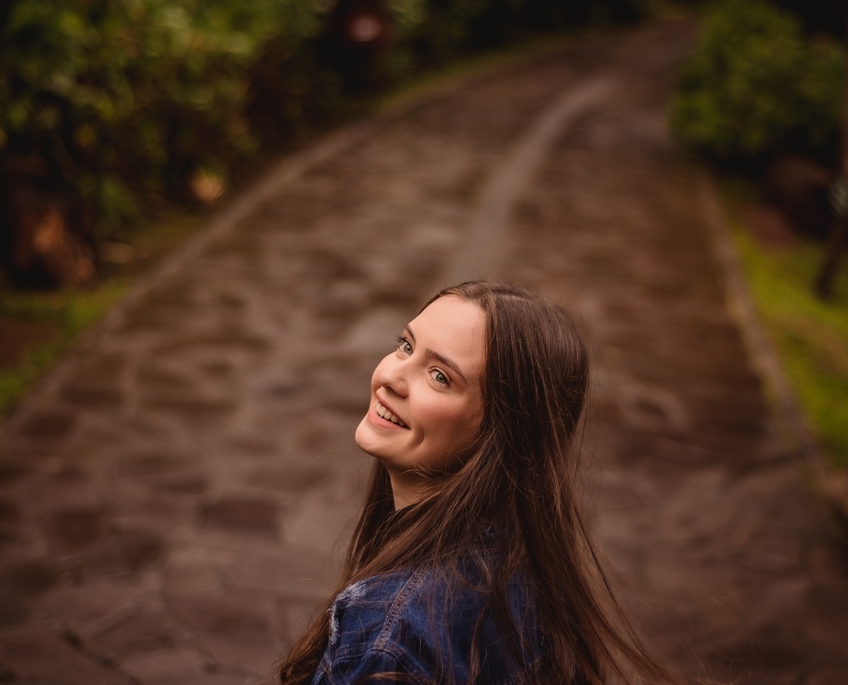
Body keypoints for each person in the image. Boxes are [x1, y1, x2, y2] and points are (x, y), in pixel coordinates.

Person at [276, 281, 680, 685]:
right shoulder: (532, 569)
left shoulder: (392, 630)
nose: (392, 378)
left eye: (439, 376)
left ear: (500, 434)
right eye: (405, 346)